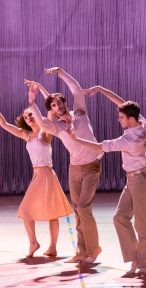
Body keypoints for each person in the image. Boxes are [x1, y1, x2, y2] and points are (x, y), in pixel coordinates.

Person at [66, 85, 146, 277]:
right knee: (119, 217)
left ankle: (145, 264)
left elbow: (98, 146)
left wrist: (75, 139)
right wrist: (100, 89)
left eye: (121, 117)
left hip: (140, 179)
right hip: (132, 179)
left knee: (143, 224)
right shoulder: (141, 121)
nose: (118, 119)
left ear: (130, 119)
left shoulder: (129, 139)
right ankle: (135, 258)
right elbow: (121, 103)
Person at [26, 68, 103, 264]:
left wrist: (61, 73)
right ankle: (81, 250)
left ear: (65, 103)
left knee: (83, 207)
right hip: (74, 169)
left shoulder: (80, 113)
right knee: (78, 209)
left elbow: (76, 89)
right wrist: (32, 103)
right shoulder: (58, 127)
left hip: (92, 167)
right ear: (51, 110)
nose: (57, 105)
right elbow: (43, 124)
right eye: (53, 105)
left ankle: (94, 249)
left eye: (59, 101)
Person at [0, 86, 72, 257]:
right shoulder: (27, 135)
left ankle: (51, 247)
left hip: (46, 174)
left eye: (31, 114)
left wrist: (39, 93)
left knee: (46, 212)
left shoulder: (45, 133)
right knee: (28, 211)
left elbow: (50, 112)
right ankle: (35, 242)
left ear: (38, 115)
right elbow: (4, 125)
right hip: (37, 174)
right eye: (26, 116)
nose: (28, 118)